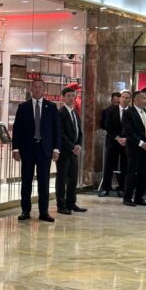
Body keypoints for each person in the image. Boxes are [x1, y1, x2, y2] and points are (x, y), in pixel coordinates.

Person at [11, 78, 60, 223]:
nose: (37, 89)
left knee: (43, 182)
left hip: (44, 150)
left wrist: (56, 149)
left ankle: (44, 212)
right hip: (28, 150)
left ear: (43, 89)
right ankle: (25, 210)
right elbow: (17, 130)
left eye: (40, 87)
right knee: (26, 181)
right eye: (35, 87)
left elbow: (56, 130)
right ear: (31, 89)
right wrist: (15, 149)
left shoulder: (51, 107)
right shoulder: (23, 107)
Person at [55, 87, 87, 215]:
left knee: (73, 178)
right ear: (62, 97)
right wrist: (72, 146)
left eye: (73, 96)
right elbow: (60, 134)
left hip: (74, 151)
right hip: (64, 151)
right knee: (62, 178)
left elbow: (79, 132)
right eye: (68, 95)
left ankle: (71, 202)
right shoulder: (60, 113)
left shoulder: (75, 113)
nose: (71, 98)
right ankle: (61, 205)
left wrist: (78, 144)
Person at [122, 91, 146, 207]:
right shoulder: (128, 113)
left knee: (143, 173)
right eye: (143, 98)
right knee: (131, 172)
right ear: (135, 99)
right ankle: (127, 197)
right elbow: (128, 132)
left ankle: (139, 197)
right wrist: (141, 143)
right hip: (134, 148)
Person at [99, 90, 131, 197]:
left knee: (124, 166)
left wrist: (126, 138)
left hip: (127, 144)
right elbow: (108, 125)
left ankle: (122, 188)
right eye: (123, 97)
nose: (124, 99)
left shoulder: (132, 112)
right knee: (108, 166)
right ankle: (105, 188)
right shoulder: (111, 110)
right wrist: (117, 138)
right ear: (119, 98)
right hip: (113, 142)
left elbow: (134, 128)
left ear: (130, 100)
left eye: (127, 97)